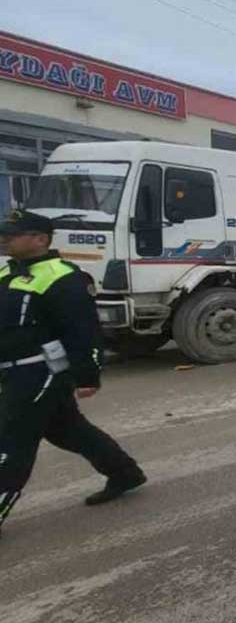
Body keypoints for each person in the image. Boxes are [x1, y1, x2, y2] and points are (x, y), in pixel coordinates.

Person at [0, 210, 146, 538]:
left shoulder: (63, 277)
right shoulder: (8, 273)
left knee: (12, 439)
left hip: (40, 372)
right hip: (14, 373)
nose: (5, 239)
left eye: (13, 234)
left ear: (40, 239)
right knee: (68, 431)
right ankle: (125, 473)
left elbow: (83, 331)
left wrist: (87, 376)